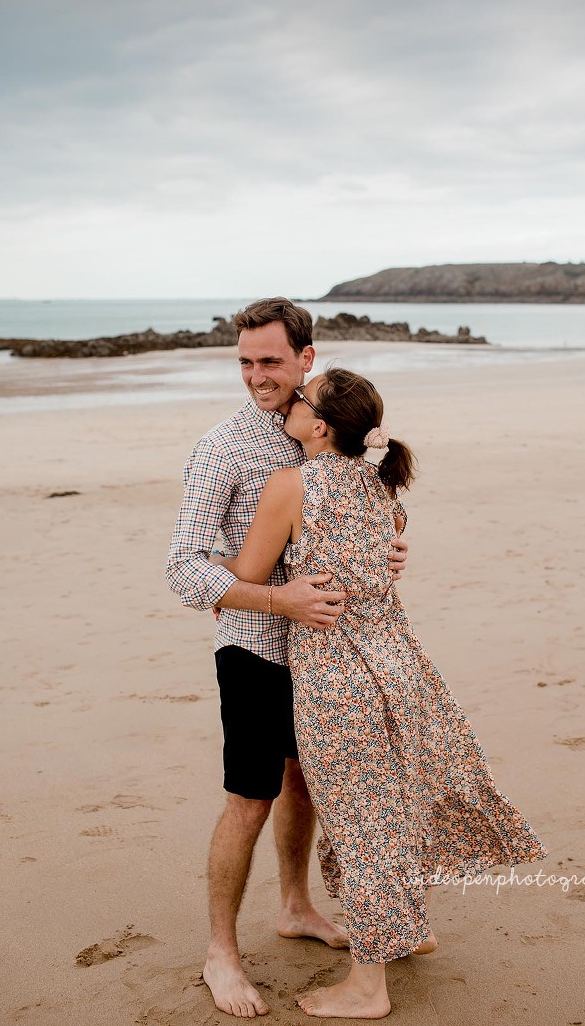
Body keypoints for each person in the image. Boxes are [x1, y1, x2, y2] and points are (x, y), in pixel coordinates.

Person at [214, 367, 547, 1019]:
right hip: (398, 661)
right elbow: (387, 542)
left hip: (338, 677)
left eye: (303, 398)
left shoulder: (292, 485)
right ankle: (408, 927)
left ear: (320, 425)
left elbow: (250, 575)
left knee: (360, 820)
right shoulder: (381, 481)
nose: (291, 400)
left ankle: (367, 987)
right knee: (390, 804)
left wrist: (207, 559)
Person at [166, 299, 409, 1019]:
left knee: (307, 784)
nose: (256, 377)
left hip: (331, 658)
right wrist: (281, 603)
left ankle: (297, 907)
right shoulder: (222, 450)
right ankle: (221, 953)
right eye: (244, 362)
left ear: (306, 359)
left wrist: (394, 548)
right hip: (257, 653)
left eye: (270, 362)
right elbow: (183, 568)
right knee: (251, 799)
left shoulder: (327, 430)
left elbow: (370, 511)